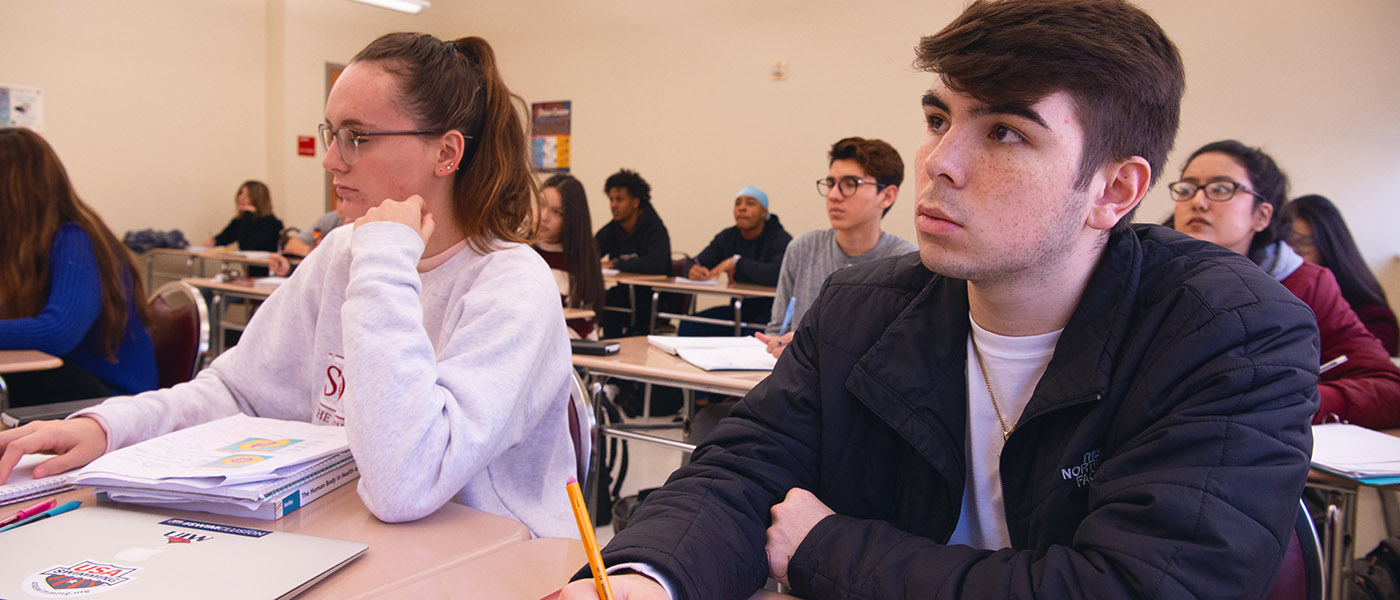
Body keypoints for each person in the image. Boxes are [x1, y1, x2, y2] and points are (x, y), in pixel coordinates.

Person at [560, 1, 1319, 598]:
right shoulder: (865, 307)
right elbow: (741, 473)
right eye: (938, 118)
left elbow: (1134, 588)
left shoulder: (1231, 333)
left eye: (1006, 133)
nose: (937, 161)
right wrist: (644, 580)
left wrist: (827, 550)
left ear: (1113, 189)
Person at [0, 32, 577, 538]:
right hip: (352, 533)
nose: (330, 159)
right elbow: (238, 393)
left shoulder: (509, 283)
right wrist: (107, 428)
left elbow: (407, 483)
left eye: (357, 136)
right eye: (331, 131)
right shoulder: (344, 253)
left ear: (446, 152)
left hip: (496, 559)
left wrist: (383, 262)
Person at [1172, 140, 1400, 427]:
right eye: (1186, 189)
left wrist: (1286, 401)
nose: (1198, 201)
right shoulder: (1138, 270)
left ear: (1262, 215)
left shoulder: (1305, 284)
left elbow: (1389, 391)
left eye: (1221, 189)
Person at [0, 127, 157, 406]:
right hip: (72, 386)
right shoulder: (27, 247)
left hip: (113, 402)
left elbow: (57, 332)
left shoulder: (77, 240)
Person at [755, 137, 916, 357]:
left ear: (886, 196)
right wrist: (778, 344)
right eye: (831, 184)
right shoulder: (802, 249)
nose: (833, 195)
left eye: (850, 184)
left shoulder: (906, 263)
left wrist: (811, 349)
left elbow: (906, 354)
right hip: (800, 384)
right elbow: (777, 329)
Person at [1284, 194, 1399, 355]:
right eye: (1284, 243)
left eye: (1303, 243)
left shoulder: (1367, 308)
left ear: (1328, 245)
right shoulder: (1277, 283)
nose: (1289, 254)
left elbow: (1378, 357)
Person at [678, 185, 792, 337]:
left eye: (750, 203)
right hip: (738, 310)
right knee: (690, 325)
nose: (742, 208)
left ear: (764, 212)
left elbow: (776, 274)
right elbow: (696, 261)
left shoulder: (781, 239)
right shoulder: (728, 237)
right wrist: (692, 269)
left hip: (771, 314)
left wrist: (737, 263)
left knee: (751, 336)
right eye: (738, 203)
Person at [596, 168, 672, 337]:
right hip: (623, 295)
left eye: (620, 199)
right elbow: (590, 252)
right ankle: (607, 349)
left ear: (635, 202)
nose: (614, 205)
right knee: (605, 300)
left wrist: (615, 264)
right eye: (611, 199)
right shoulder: (613, 228)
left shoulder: (655, 228)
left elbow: (655, 264)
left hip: (653, 298)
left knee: (617, 303)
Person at [534, 173, 605, 339]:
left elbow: (580, 325)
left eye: (556, 212)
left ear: (572, 219)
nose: (543, 217)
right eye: (540, 205)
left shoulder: (580, 260)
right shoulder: (518, 250)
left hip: (571, 345)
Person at [203, 180, 284, 252]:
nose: (241, 198)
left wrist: (248, 214)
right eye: (241, 193)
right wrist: (214, 241)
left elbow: (247, 246)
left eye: (248, 195)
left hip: (267, 268)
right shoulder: (241, 220)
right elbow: (225, 237)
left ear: (258, 199)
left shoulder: (270, 222)